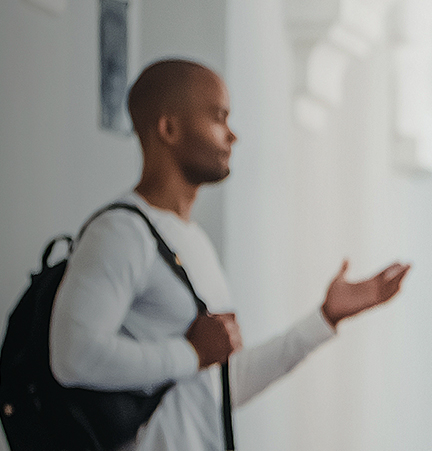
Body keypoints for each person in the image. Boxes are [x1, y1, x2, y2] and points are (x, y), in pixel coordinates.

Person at [48, 58, 412, 451]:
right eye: (219, 117)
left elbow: (220, 387)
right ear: (169, 128)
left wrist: (325, 318)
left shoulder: (193, 241)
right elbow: (73, 356)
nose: (232, 135)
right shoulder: (121, 233)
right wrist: (190, 353)